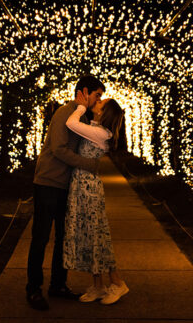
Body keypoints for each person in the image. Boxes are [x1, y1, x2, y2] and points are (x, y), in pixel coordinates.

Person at [26, 76, 105, 311]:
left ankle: (58, 285)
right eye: (97, 95)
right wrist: (86, 164)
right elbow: (58, 149)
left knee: (63, 237)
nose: (98, 99)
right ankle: (33, 289)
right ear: (84, 92)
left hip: (65, 185)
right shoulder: (64, 112)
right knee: (40, 237)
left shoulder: (81, 115)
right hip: (48, 182)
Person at [63, 90, 129, 305]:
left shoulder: (102, 133)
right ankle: (98, 285)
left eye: (102, 101)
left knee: (97, 236)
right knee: (88, 237)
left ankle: (118, 283)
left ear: (105, 112)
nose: (98, 101)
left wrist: (80, 107)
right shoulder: (95, 128)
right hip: (81, 185)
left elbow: (71, 124)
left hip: (89, 188)